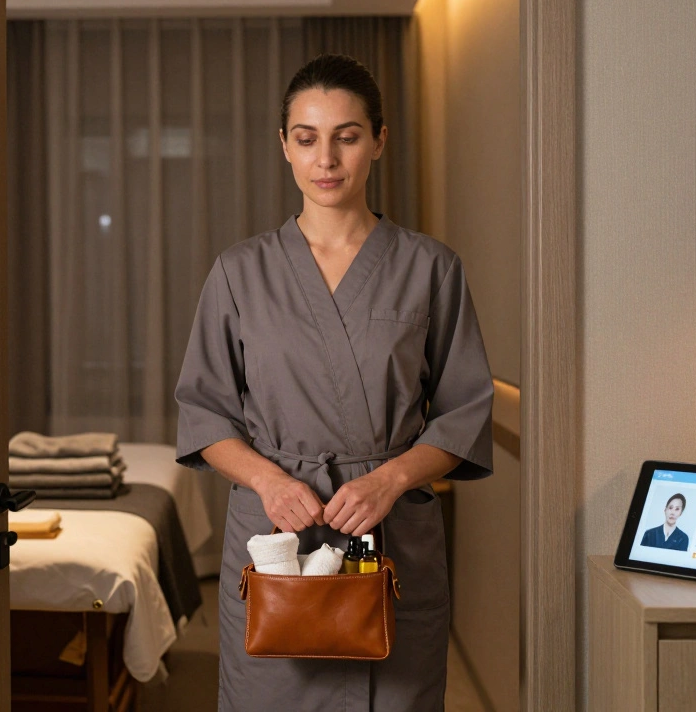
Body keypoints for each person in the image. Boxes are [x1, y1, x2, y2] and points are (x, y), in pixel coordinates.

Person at [173, 54, 494, 712]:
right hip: (276, 536)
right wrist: (268, 480)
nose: (327, 159)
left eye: (347, 136)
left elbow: (463, 412)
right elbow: (205, 413)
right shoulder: (239, 271)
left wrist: (392, 478)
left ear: (378, 140)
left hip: (389, 530)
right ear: (284, 146)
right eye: (307, 137)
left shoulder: (431, 268)